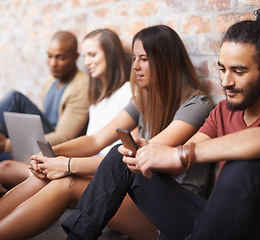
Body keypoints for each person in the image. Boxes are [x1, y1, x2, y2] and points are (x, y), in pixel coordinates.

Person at [63, 9, 260, 240]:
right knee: (121, 156)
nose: (226, 82)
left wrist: (181, 154)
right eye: (222, 69)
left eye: (238, 71)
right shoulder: (222, 112)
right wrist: (153, 154)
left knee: (243, 168)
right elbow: (178, 164)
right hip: (215, 224)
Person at [0, 25, 214, 240]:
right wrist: (52, 155)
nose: (136, 67)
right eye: (134, 59)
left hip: (169, 211)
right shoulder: (144, 100)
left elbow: (141, 157)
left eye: (144, 59)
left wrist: (66, 165)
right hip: (135, 194)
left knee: (67, 182)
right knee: (46, 175)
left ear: (166, 61)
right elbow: (96, 140)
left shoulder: (197, 105)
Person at [0, 31, 90, 189]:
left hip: (57, 149)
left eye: (60, 57)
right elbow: (39, 123)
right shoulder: (50, 82)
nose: (53, 63)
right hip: (41, 142)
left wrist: (7, 144)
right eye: (50, 56)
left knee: (15, 98)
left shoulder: (82, 85)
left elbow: (65, 137)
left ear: (76, 57)